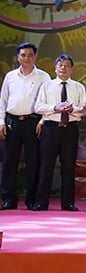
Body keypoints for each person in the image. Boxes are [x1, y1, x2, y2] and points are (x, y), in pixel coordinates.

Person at [32, 54, 86, 211]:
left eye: (66, 65)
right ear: (55, 68)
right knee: (46, 166)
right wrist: (54, 108)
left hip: (70, 129)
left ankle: (68, 203)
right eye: (60, 65)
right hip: (51, 128)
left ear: (72, 69)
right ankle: (41, 202)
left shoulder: (78, 87)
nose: (63, 68)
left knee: (69, 167)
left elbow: (84, 110)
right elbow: (38, 107)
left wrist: (72, 109)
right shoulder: (46, 86)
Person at [0, 42, 50, 211]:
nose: (26, 58)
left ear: (35, 56)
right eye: (23, 55)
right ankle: (8, 199)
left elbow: (49, 101)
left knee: (33, 162)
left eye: (30, 55)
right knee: (9, 162)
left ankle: (32, 199)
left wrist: (42, 121)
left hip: (33, 123)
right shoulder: (10, 76)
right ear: (18, 57)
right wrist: (1, 122)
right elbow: (3, 101)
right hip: (12, 122)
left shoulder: (43, 77)